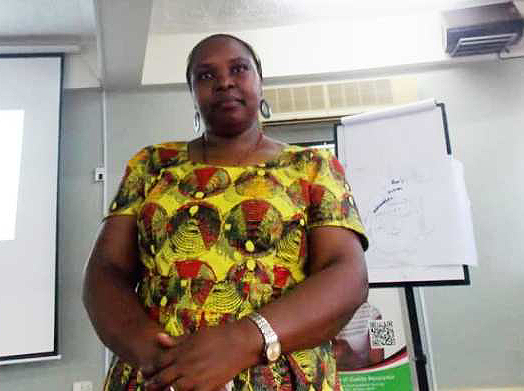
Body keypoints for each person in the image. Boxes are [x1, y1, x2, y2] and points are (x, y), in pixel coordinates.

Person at [83, 33, 369, 391]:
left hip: (281, 375)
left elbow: (347, 274)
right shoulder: (151, 165)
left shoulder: (312, 166)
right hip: (158, 376)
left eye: (239, 68)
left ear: (260, 81)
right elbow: (105, 272)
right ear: (192, 93)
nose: (224, 82)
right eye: (206, 75)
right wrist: (157, 356)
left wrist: (246, 338)